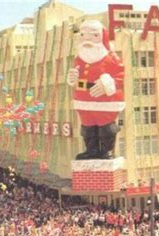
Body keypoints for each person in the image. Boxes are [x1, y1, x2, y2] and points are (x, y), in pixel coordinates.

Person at [66, 19, 125, 160]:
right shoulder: (79, 58)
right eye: (83, 35)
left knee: (106, 127)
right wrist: (72, 79)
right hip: (83, 100)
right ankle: (91, 150)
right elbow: (78, 76)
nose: (87, 39)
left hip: (105, 100)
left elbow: (120, 76)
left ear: (101, 36)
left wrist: (107, 84)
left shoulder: (111, 57)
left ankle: (106, 150)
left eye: (93, 35)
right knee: (87, 127)